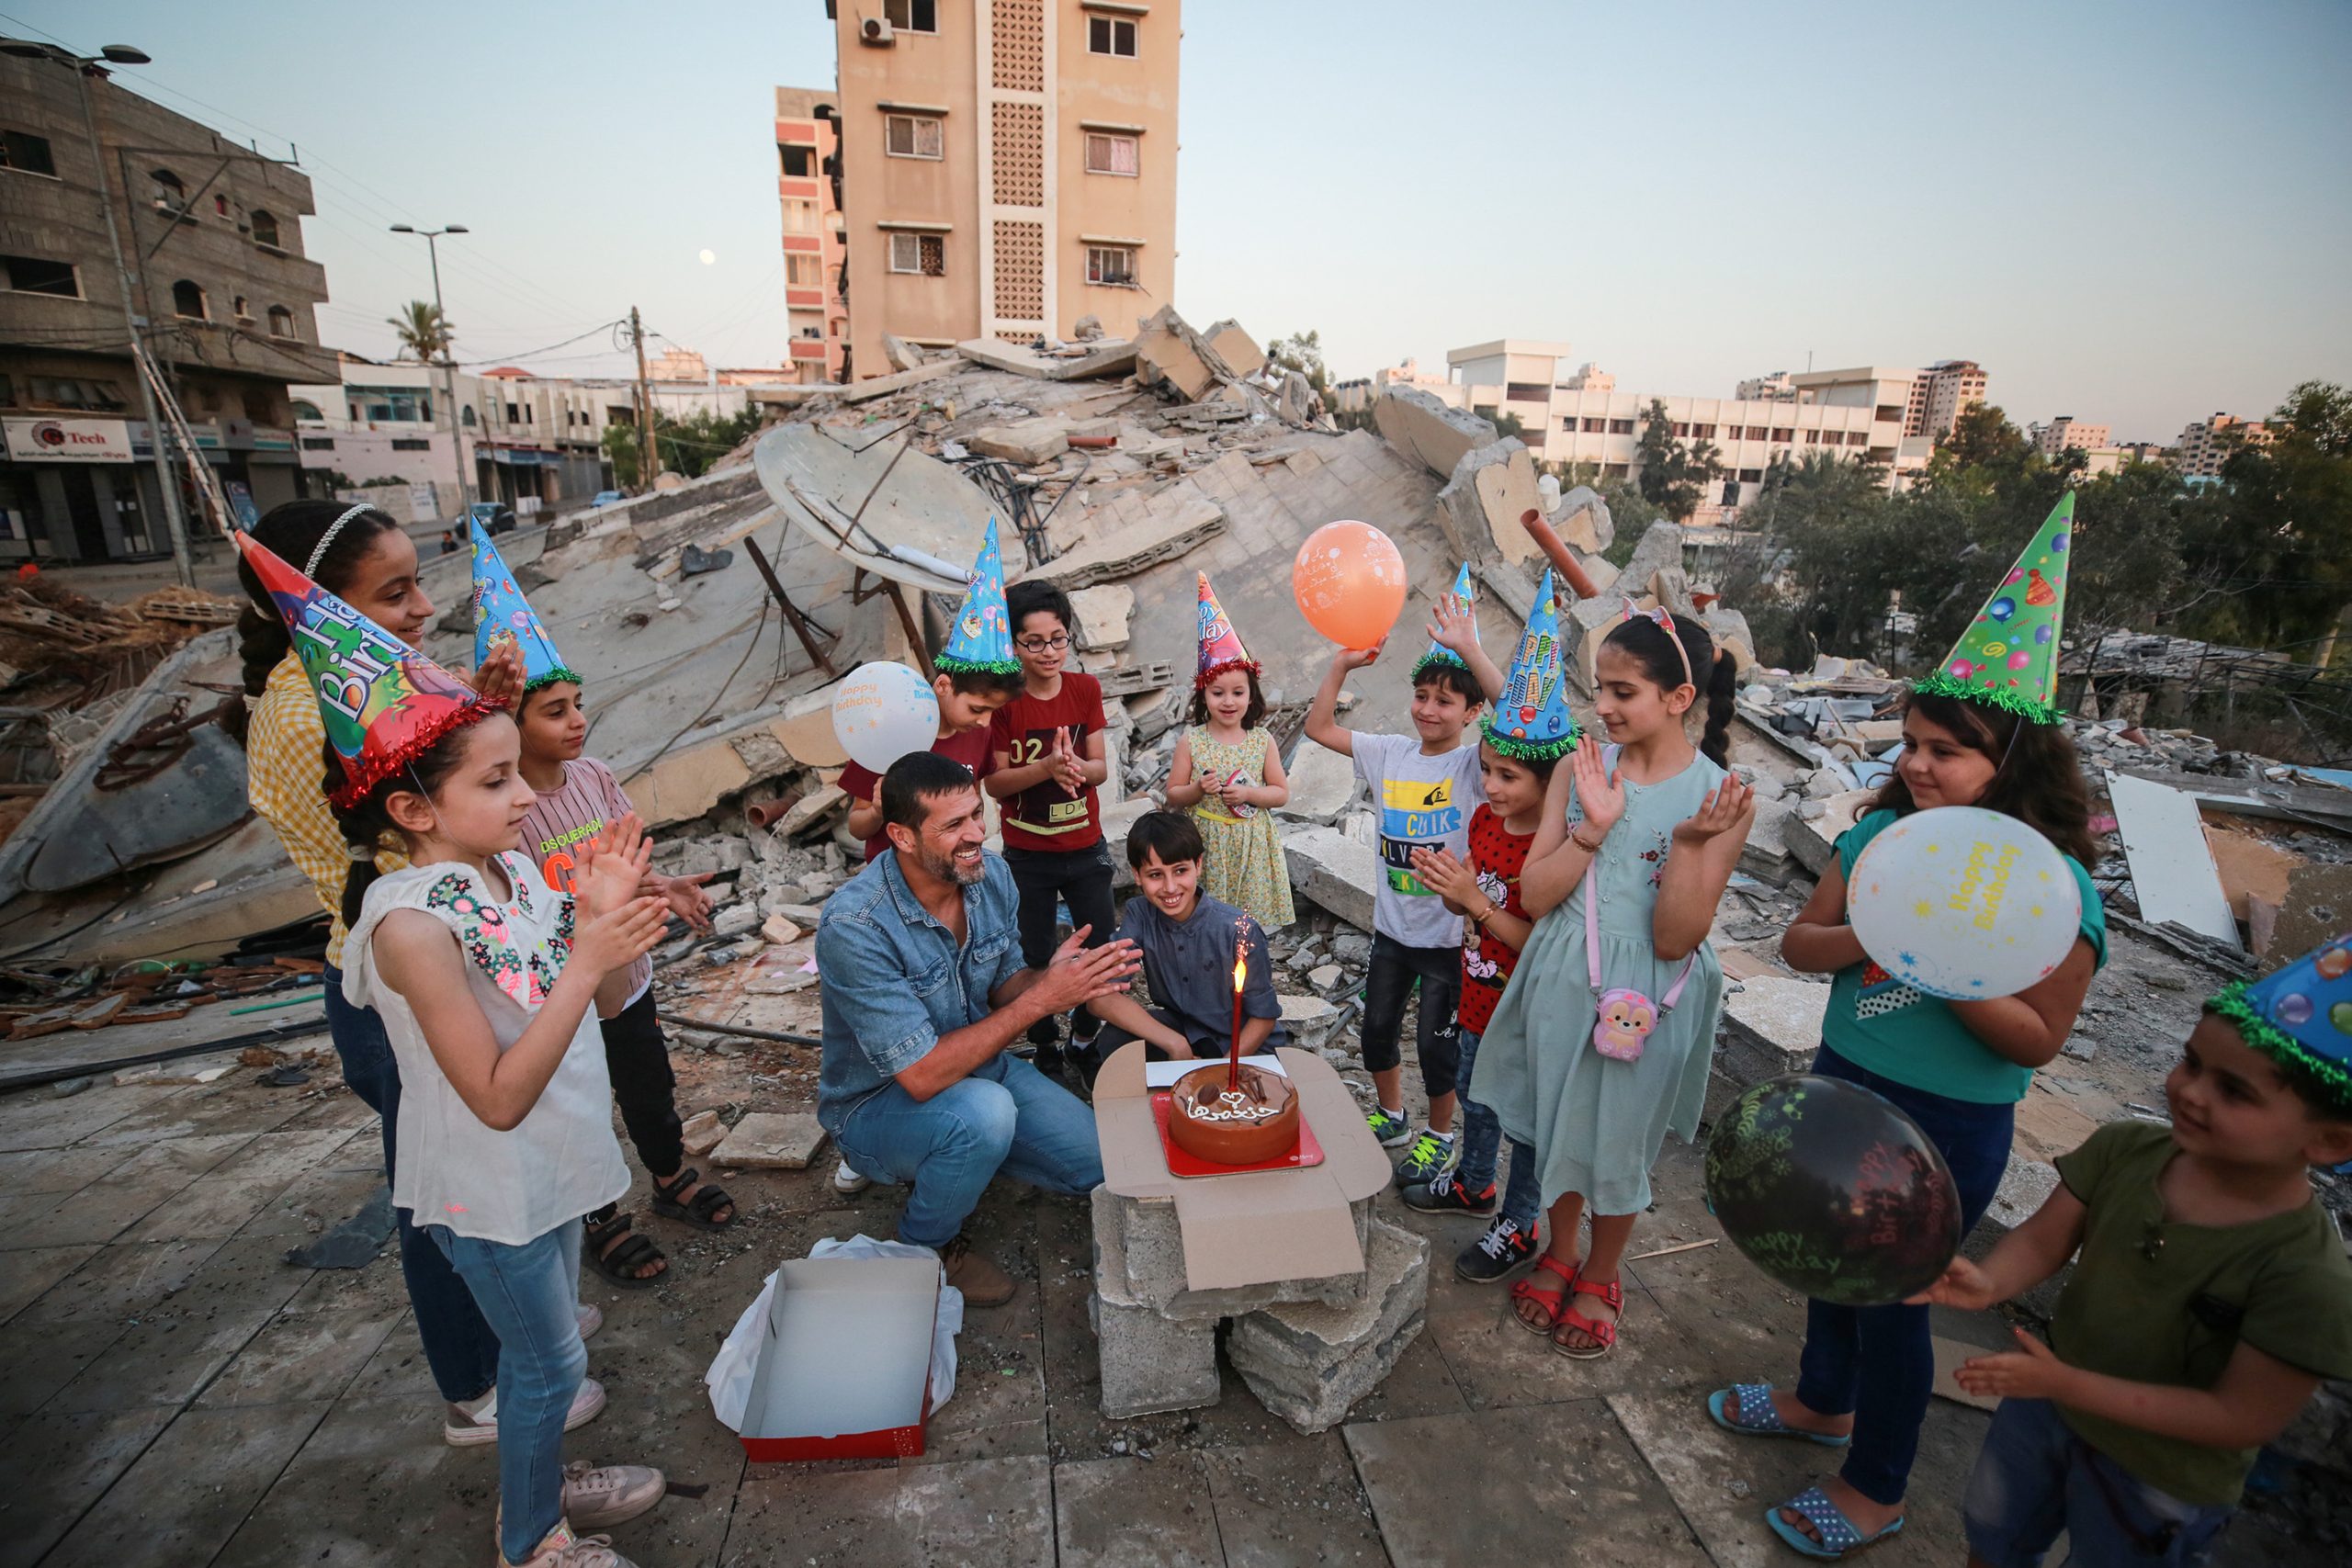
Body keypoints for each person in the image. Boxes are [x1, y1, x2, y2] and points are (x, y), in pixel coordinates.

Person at [246, 534, 669, 1568]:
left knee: (551, 1363)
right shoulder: (405, 924)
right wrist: (586, 959)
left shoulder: (516, 875)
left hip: (557, 1159)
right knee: (542, 1365)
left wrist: (605, 925)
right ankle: (532, 1537)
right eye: (496, 781)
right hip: (490, 1179)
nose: (528, 796)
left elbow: (605, 1004)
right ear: (411, 808)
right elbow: (489, 1095)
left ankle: (545, 1485)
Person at [1707, 495, 2104, 1558]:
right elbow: (1801, 944)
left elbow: (2034, 1040)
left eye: (1953, 751)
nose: (1923, 765)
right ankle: (1816, 1401)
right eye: (1917, 744)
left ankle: (1877, 1485)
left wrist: (1947, 962)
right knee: (1822, 1270)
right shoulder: (1880, 834)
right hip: (1843, 1085)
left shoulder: (2055, 890)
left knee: (1895, 1307)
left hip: (1948, 1124)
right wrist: (1876, 936)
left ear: (2010, 763)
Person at [230, 500, 530, 1449]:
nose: (422, 608)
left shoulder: (366, 678)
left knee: (488, 1169)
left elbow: (436, 798)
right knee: (443, 1196)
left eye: (418, 580)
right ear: (317, 608)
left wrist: (477, 714)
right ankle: (477, 1389)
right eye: (393, 592)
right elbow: (401, 864)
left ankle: (514, 1327)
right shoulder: (297, 716)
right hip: (401, 987)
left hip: (456, 955)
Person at [1917, 939, 2352, 1568]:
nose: (2189, 1091)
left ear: (2331, 1139)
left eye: (2234, 1090)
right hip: (2047, 1410)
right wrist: (1986, 1280)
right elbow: (2045, 1237)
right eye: (2191, 1062)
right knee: (1993, 1537)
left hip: (2162, 1473)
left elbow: (2239, 1416)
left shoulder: (2309, 1277)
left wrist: (2067, 1382)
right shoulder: (2127, 1149)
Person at [1475, 592, 1754, 1359]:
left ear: (1679, 697)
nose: (1601, 706)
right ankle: (1560, 1251)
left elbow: (1674, 936)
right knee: (1558, 1118)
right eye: (1597, 687)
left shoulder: (1719, 800)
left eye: (1621, 691)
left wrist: (1692, 846)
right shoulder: (1576, 767)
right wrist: (1592, 830)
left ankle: (1602, 1269)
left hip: (1649, 991)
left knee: (1620, 1135)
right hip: (1567, 967)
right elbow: (1534, 894)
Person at [476, 522, 737, 1289]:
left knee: (650, 1086)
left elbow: (625, 864)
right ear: (510, 724)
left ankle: (668, 1174)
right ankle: (599, 1216)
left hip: (630, 972)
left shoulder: (593, 777)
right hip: (562, 991)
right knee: (579, 1104)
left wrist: (669, 886)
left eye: (577, 704)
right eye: (554, 710)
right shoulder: (504, 812)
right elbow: (519, 907)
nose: (576, 721)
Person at [817, 750, 1138, 1305]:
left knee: (1104, 1166)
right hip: (877, 1102)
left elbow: (1004, 983)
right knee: (983, 1116)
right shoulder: (855, 927)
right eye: (953, 826)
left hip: (978, 1067)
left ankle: (962, 1158)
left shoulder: (991, 878)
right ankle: (926, 1249)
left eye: (976, 814)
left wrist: (1057, 977)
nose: (976, 835)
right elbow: (919, 1076)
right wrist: (1043, 1000)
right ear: (902, 836)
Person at [1303, 583, 1503, 1179]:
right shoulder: (1389, 752)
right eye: (1421, 695)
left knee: (1439, 1049)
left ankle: (1440, 1132)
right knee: (1377, 1033)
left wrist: (1469, 651)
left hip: (1448, 940)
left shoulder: (1474, 764)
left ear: (1471, 713)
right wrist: (1341, 664)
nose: (1428, 709)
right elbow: (1318, 728)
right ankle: (1392, 1113)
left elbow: (1520, 722)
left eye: (1445, 701)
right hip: (1392, 932)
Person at [1398, 694, 1561, 1283]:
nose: (1490, 785)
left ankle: (1520, 1222)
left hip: (1527, 1009)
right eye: (1487, 770)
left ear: (1551, 782)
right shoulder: (1484, 822)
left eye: (1507, 776)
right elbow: (1460, 904)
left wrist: (1474, 900)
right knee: (1474, 1091)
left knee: (1524, 1119)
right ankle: (1473, 1183)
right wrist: (1447, 884)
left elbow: (1539, 944)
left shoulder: (1554, 849)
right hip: (1478, 993)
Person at [987, 579, 1115, 1070]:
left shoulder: (1085, 689)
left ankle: (1083, 1037)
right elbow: (995, 784)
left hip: (1085, 847)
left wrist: (1075, 769)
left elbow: (1100, 767)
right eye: (1034, 641)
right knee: (1033, 953)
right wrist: (1045, 768)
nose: (1048, 651)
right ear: (1014, 644)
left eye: (1058, 638)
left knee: (1099, 943)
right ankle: (1042, 1041)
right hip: (1027, 854)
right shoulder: (1005, 703)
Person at [841, 517, 1023, 863]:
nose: (985, 723)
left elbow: (974, 802)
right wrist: (879, 811)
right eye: (976, 708)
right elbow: (857, 825)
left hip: (955, 873)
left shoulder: (978, 735)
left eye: (991, 713)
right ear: (943, 685)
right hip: (895, 881)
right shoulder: (888, 731)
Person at [1082, 810, 1287, 1070]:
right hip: (1186, 1033)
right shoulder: (1140, 914)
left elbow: (1264, 1017)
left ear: (1198, 865)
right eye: (1155, 875)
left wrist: (1222, 1070)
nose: (1170, 887)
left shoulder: (1239, 930)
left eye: (1180, 871)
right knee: (1117, 1039)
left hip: (1243, 1045)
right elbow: (1100, 998)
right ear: (1137, 875)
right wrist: (1174, 1043)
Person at [1163, 573, 1294, 935]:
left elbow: (1280, 793)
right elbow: (1173, 795)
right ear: (1203, 696)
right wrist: (1198, 790)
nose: (1228, 701)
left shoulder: (1261, 740)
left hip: (1252, 844)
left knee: (1246, 923)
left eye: (1238, 692)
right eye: (1217, 693)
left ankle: (1245, 966)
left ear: (1251, 696)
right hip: (1207, 842)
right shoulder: (1192, 740)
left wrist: (1251, 794)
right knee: (1209, 919)